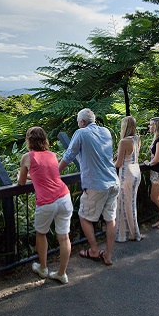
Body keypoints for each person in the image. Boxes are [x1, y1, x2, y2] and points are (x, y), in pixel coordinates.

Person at [58, 108, 120, 266]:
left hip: (96, 184)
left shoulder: (81, 133)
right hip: (113, 181)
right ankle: (108, 255)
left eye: (78, 122)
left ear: (82, 122)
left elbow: (69, 155)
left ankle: (93, 250)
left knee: (84, 217)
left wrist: (55, 172)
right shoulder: (106, 132)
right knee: (110, 218)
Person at [17, 126, 72, 284]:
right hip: (64, 197)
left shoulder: (27, 157)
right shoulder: (53, 155)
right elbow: (46, 175)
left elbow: (21, 182)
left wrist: (24, 177)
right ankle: (62, 273)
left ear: (29, 140)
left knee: (41, 234)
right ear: (44, 139)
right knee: (64, 237)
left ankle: (43, 268)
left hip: (47, 202)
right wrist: (31, 177)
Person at [115, 116, 142, 242]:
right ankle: (132, 231)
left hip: (127, 174)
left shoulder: (124, 141)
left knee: (126, 203)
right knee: (131, 202)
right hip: (136, 170)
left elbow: (119, 163)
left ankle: (131, 233)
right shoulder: (137, 139)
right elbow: (132, 155)